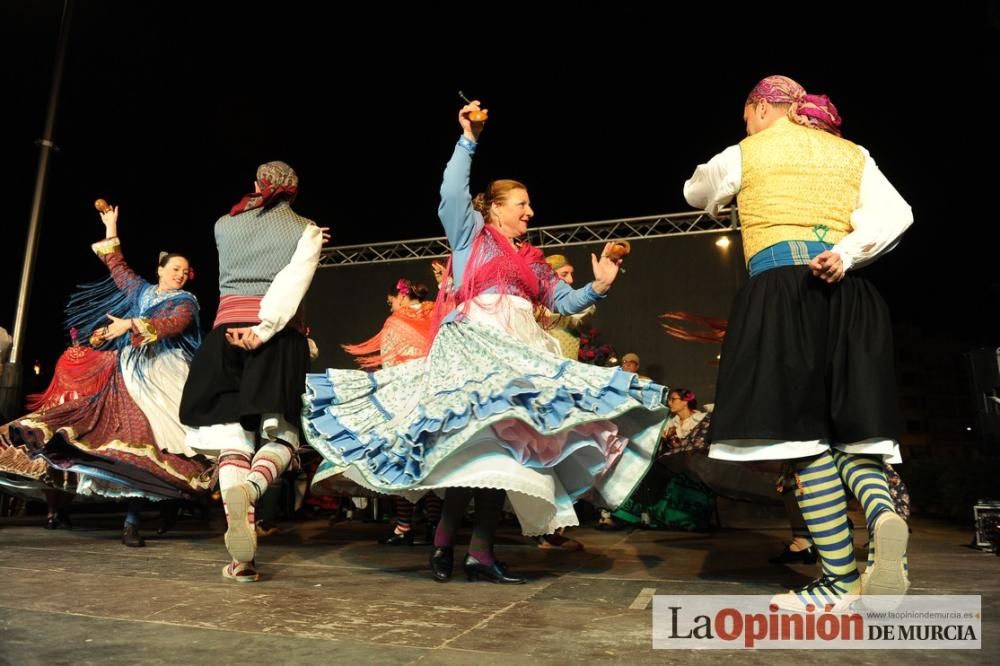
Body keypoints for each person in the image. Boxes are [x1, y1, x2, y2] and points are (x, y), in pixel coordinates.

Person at [304, 100, 668, 583]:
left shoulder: (532, 259)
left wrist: (598, 286)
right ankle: (451, 547)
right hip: (476, 347)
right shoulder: (471, 235)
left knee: (499, 458)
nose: (530, 212)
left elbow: (561, 300)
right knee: (473, 450)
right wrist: (468, 138)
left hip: (517, 349)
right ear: (495, 207)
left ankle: (472, 552)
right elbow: (451, 191)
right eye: (522, 204)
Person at [684, 75, 914, 610]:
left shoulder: (749, 151)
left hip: (781, 290)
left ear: (762, 107)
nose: (747, 124)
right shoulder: (852, 153)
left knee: (804, 443)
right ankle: (882, 520)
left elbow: (695, 189)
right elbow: (899, 214)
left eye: (748, 115)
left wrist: (721, 200)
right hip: (848, 290)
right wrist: (849, 253)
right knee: (851, 435)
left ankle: (837, 580)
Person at [1, 203, 212, 546]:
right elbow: (118, 267)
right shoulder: (142, 291)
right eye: (174, 268)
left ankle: (165, 502)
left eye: (184, 271)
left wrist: (129, 324)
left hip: (166, 377)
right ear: (160, 269)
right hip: (130, 373)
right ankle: (132, 519)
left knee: (163, 444)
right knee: (129, 439)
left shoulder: (187, 301)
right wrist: (111, 229)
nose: (179, 274)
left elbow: (174, 324)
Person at [180, 160, 323, 583]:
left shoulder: (223, 224)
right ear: (295, 191)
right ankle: (255, 490)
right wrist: (263, 330)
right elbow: (291, 283)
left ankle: (242, 561)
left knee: (231, 440)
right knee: (282, 433)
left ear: (256, 185)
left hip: (224, 334)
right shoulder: (306, 228)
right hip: (274, 336)